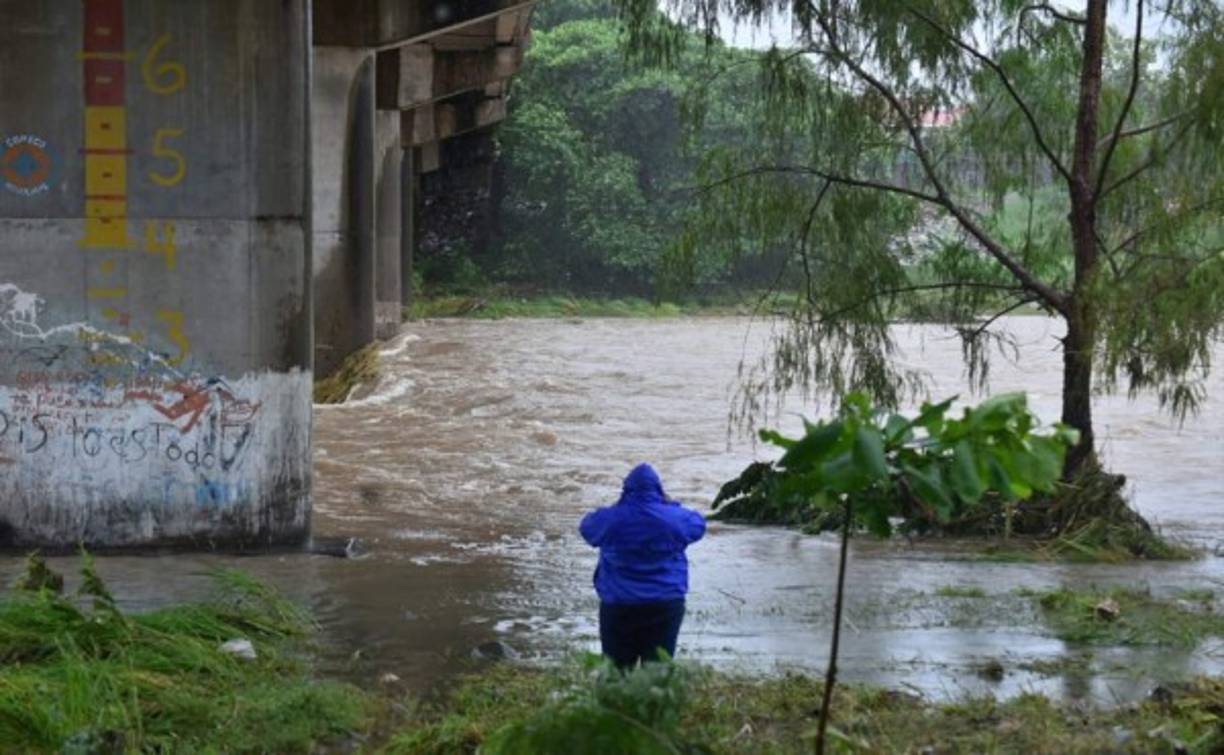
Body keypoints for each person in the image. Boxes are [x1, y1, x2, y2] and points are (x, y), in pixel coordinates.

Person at [579, 463, 706, 668]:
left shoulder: (611, 519)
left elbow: (587, 527)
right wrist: (670, 506)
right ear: (658, 489)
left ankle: (617, 699)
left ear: (626, 489)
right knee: (657, 672)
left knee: (616, 671)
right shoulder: (675, 520)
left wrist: (616, 508)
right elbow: (699, 524)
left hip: (619, 604)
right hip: (666, 602)